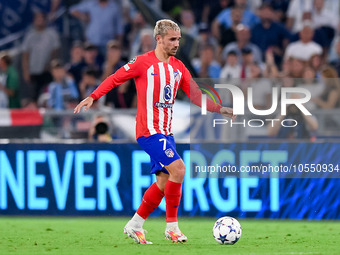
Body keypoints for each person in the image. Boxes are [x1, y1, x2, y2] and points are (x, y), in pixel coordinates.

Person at [74, 19, 236, 244]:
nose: (176, 43)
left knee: (163, 181)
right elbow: (114, 78)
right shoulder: (143, 63)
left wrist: (220, 109)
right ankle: (172, 228)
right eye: (172, 39)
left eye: (178, 39)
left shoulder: (179, 67)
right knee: (179, 170)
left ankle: (135, 224)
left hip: (166, 134)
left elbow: (196, 96)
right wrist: (93, 96)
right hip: (149, 132)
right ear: (158, 39)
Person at [22, 11, 60, 101]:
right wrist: (25, 72)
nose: (39, 21)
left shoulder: (52, 34)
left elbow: (55, 51)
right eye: (37, 19)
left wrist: (50, 65)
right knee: (33, 97)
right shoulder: (29, 36)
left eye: (41, 19)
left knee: (48, 96)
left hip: (47, 72)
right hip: (33, 72)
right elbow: (25, 55)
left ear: (45, 20)